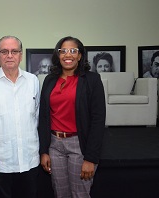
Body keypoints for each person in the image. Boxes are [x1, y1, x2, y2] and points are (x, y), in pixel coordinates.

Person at [38, 36, 106, 198]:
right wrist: (44, 151)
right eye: (63, 51)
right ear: (58, 55)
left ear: (80, 55)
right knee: (60, 193)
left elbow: (98, 120)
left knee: (80, 193)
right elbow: (44, 117)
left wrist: (91, 158)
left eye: (73, 51)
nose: (68, 55)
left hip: (79, 146)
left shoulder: (92, 80)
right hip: (55, 146)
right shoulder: (49, 80)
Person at [0, 35, 40, 198]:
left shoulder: (33, 81)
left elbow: (38, 119)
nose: (9, 55)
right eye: (4, 51)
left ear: (21, 54)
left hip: (30, 161)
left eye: (14, 51)